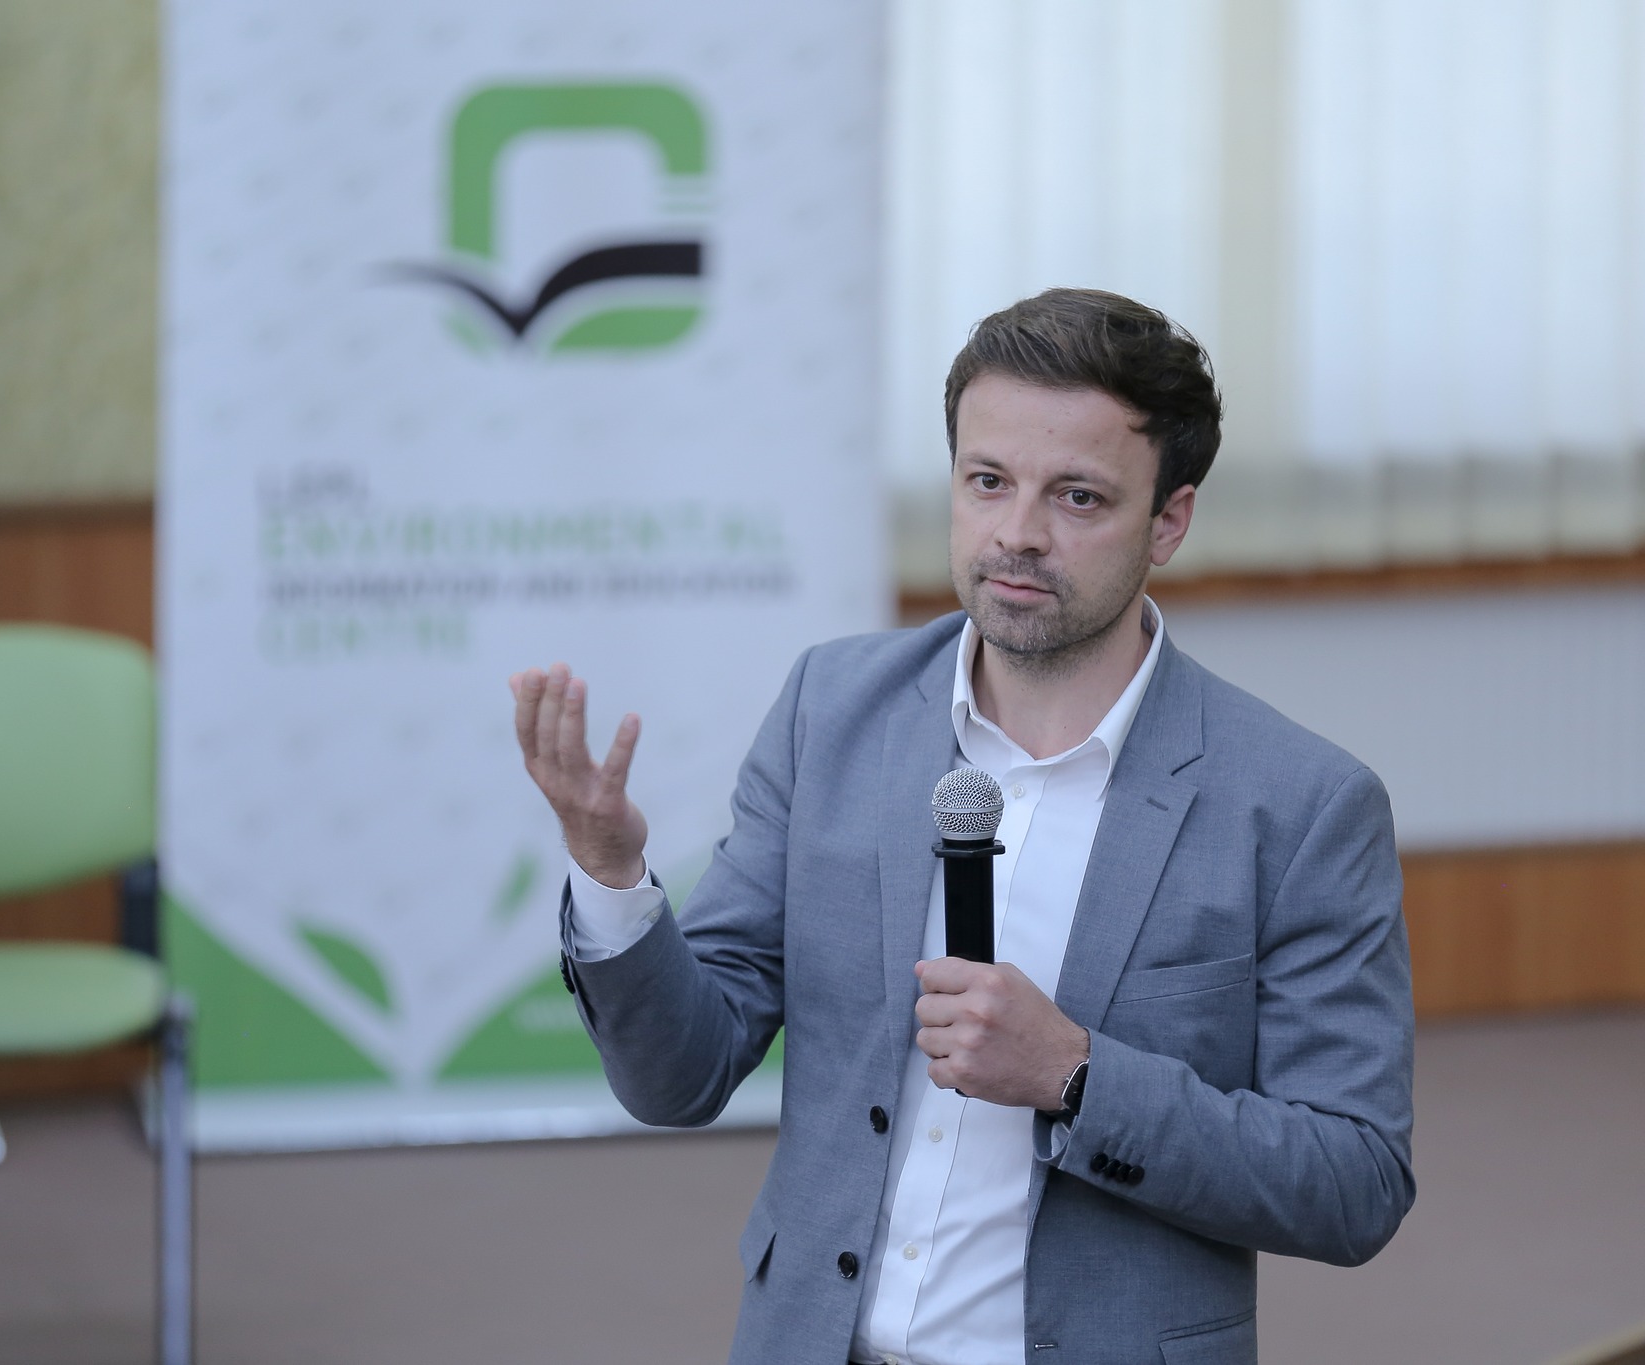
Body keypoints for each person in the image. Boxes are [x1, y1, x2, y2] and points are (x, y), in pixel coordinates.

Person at [509, 288, 1415, 1365]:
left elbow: (1354, 1183)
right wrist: (611, 872)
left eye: (1077, 497)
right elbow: (679, 1076)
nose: (1017, 534)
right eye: (987, 481)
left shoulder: (1300, 804)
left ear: (1168, 521)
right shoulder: (830, 713)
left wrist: (1077, 1075)